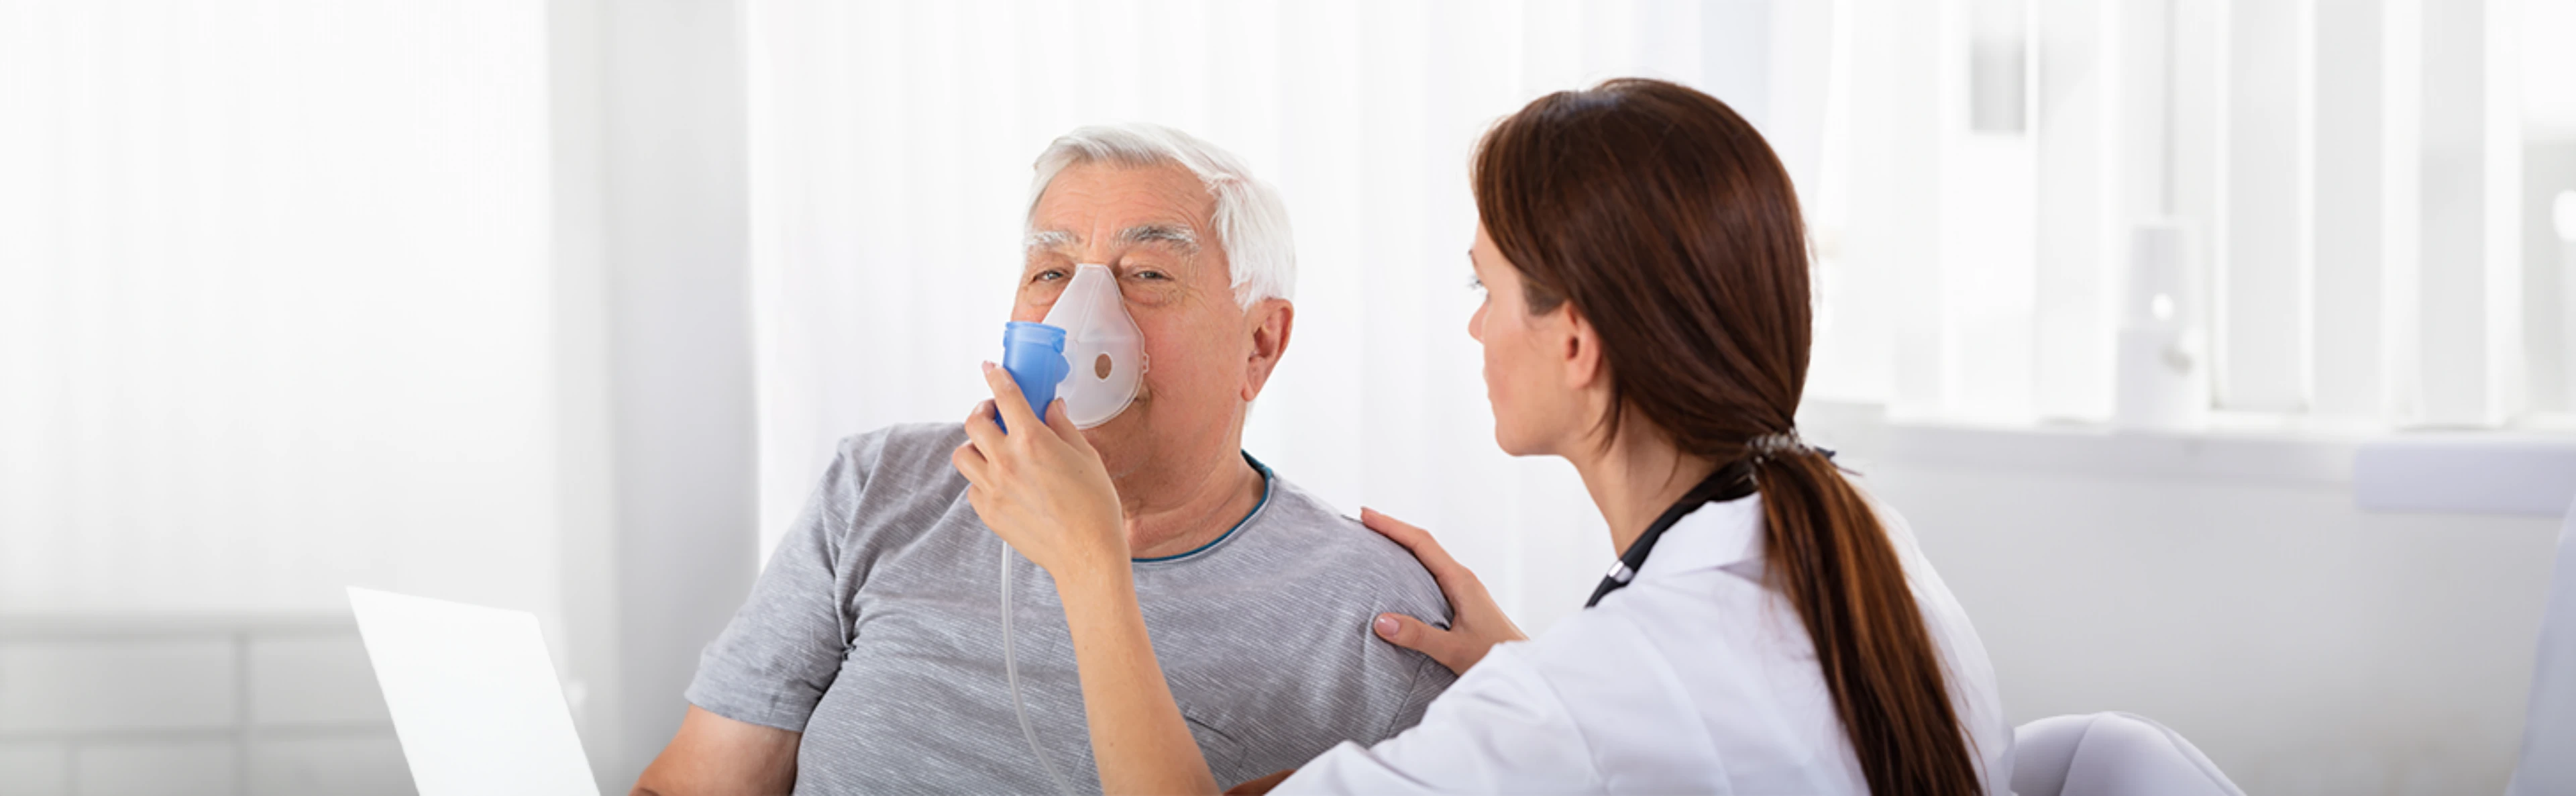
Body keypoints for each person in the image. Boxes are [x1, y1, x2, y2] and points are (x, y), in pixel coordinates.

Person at [955, 79, 2016, 795]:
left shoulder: (1574, 705)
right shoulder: (1861, 540)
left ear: (1577, 342)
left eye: (1488, 285)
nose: (1472, 322)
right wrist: (1530, 658)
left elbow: (1604, 720)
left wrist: (1093, 565)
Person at [632, 123, 1455, 795]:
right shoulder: (882, 489)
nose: (1080, 316)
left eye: (1148, 274)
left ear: (1260, 344)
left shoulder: (1381, 620)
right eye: (1053, 270)